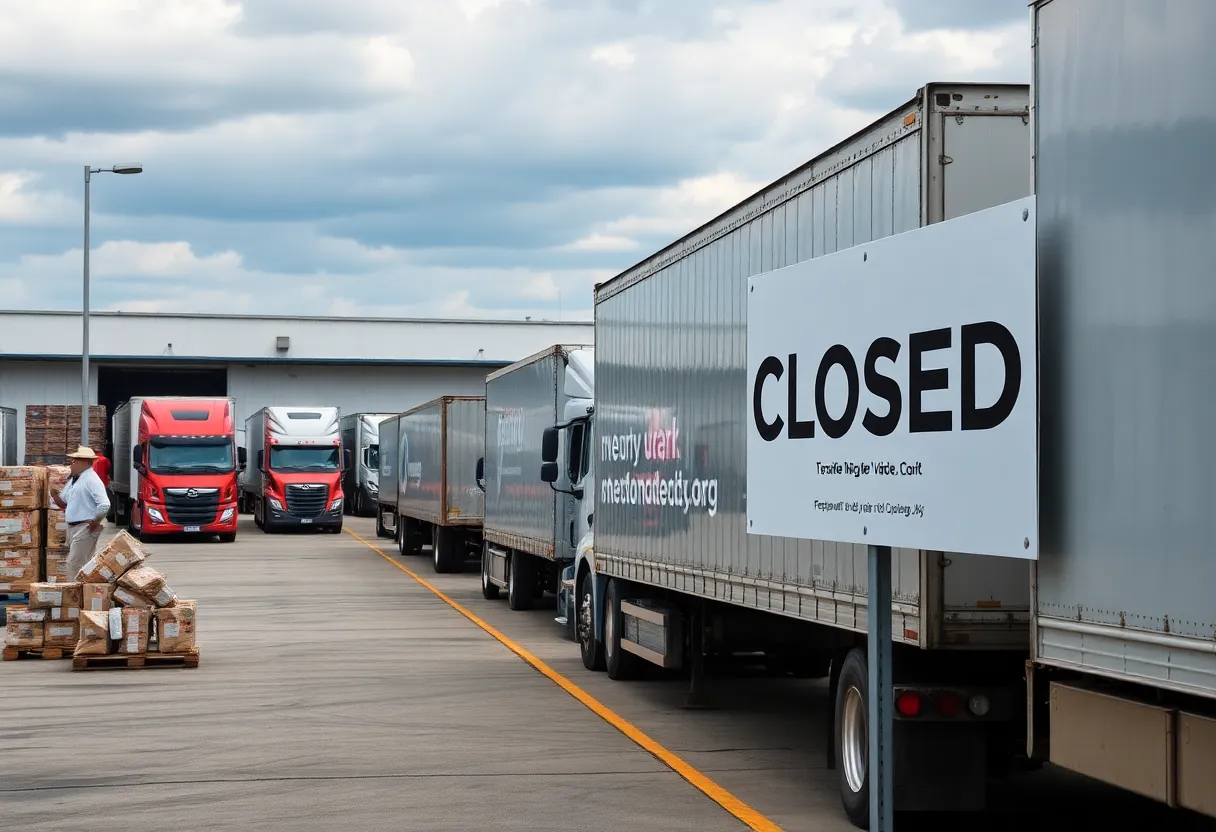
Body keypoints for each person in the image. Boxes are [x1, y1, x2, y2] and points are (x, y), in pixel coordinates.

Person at [51, 446, 111, 579]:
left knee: (73, 563)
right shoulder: (74, 480)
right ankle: (84, 593)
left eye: (75, 462)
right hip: (72, 527)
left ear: (86, 463)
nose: (72, 464)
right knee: (84, 564)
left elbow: (105, 504)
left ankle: (73, 594)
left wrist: (95, 521)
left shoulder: (92, 480)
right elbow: (63, 503)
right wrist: (54, 494)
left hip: (85, 527)